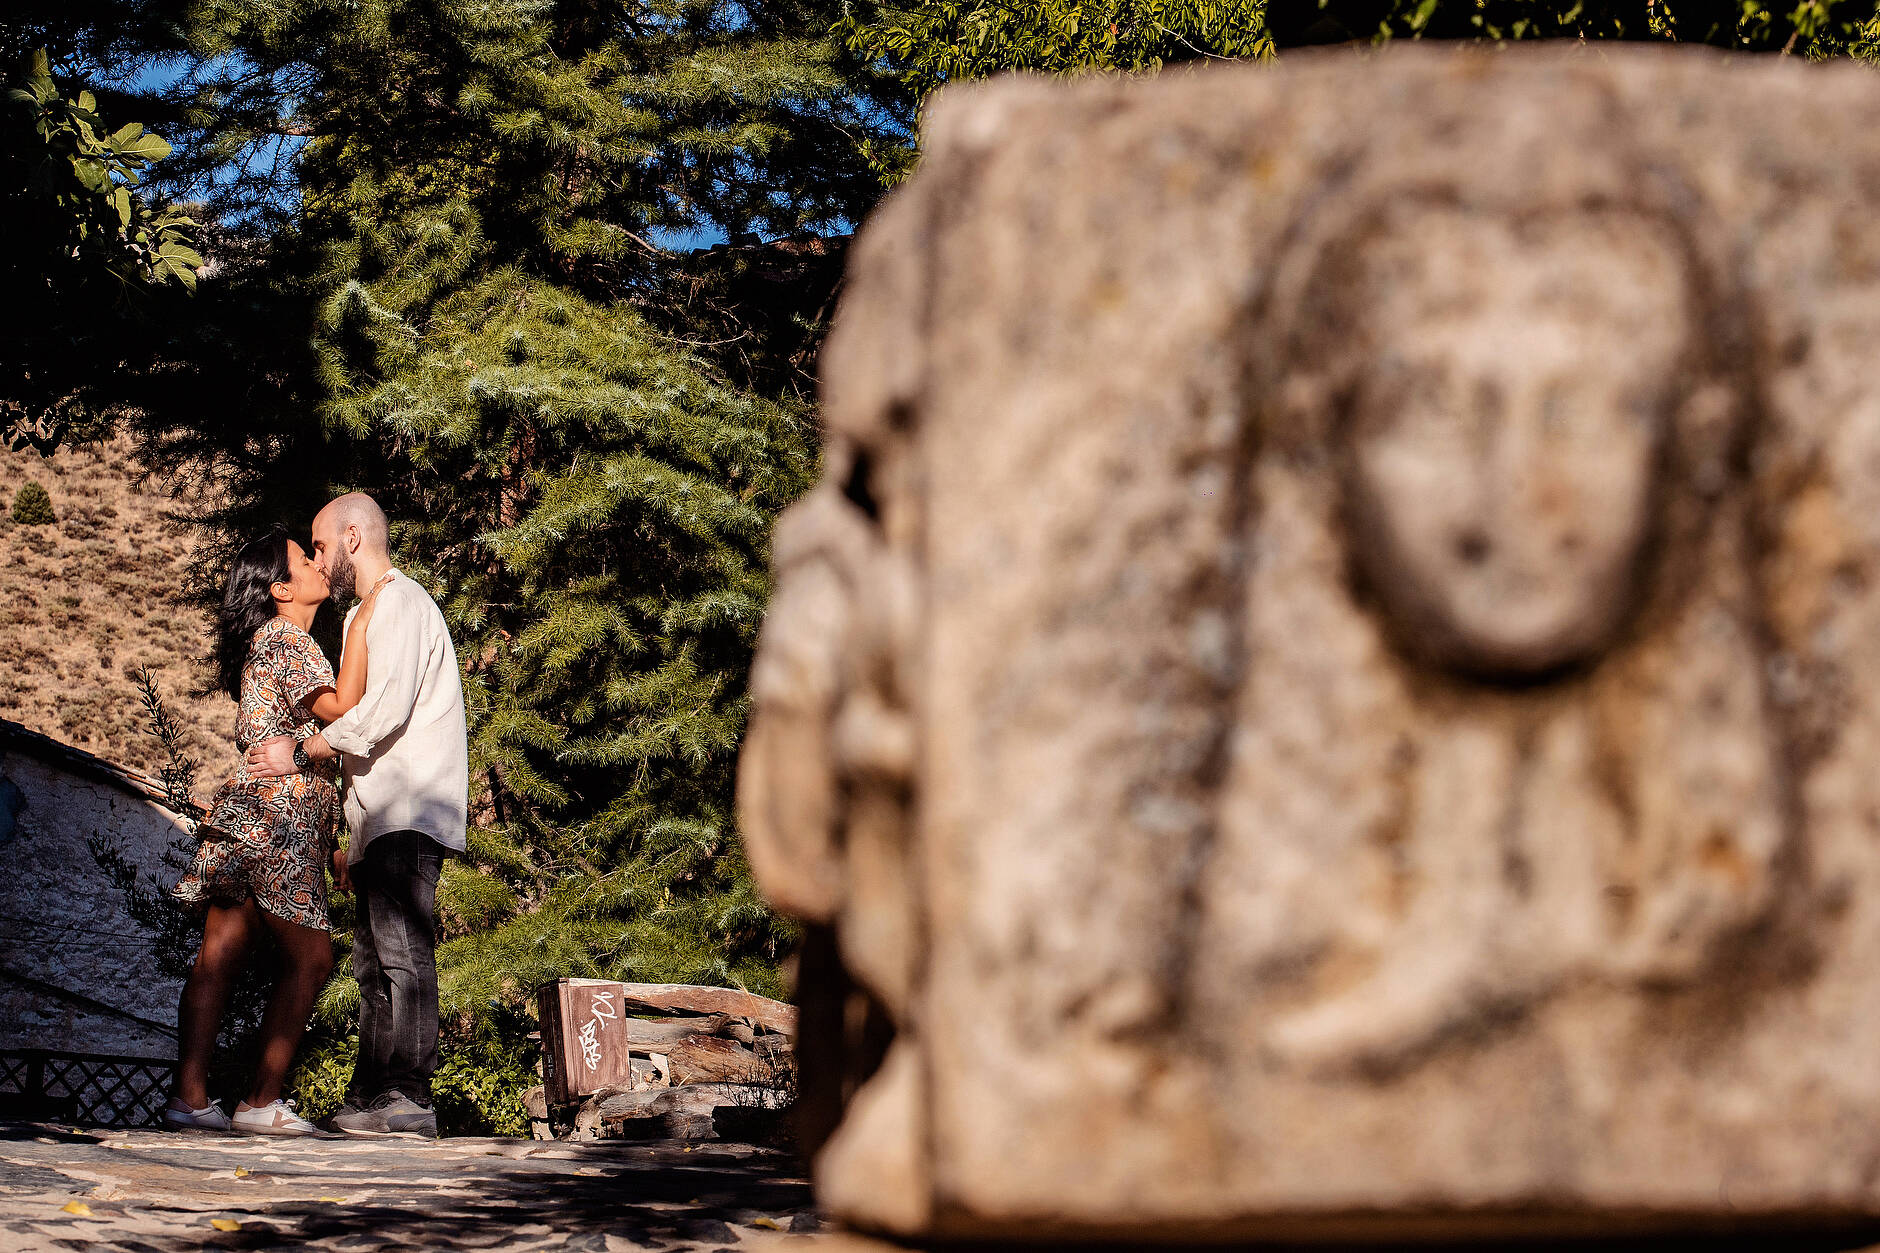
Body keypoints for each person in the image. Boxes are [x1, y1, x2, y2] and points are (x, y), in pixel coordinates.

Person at [247, 492, 468, 1139]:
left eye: (318, 545)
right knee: (371, 963)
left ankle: (412, 1094)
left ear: (350, 537)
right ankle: (374, 1096)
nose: (317, 559)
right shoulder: (358, 619)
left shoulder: (400, 601)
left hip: (411, 809)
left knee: (403, 954)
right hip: (377, 819)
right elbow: (361, 734)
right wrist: (351, 832)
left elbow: (383, 711)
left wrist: (304, 748)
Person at [164, 531, 386, 1135]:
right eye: (306, 558)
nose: (320, 563)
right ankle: (259, 1104)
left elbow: (298, 742)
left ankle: (189, 1098)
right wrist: (364, 622)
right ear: (281, 588)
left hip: (247, 820)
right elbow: (344, 708)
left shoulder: (268, 642)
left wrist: (332, 840)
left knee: (218, 959)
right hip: (277, 824)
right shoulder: (291, 640)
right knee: (312, 959)